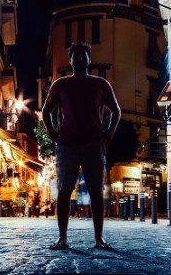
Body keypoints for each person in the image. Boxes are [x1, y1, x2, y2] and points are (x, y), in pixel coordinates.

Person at [42, 42, 121, 250]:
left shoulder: (101, 84)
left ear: (88, 59)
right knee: (64, 191)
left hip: (94, 144)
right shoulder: (60, 85)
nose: (78, 59)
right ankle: (62, 238)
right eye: (75, 56)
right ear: (70, 60)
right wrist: (54, 136)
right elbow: (45, 112)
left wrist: (108, 136)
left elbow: (116, 111)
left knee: (96, 191)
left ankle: (99, 238)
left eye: (82, 55)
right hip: (66, 145)